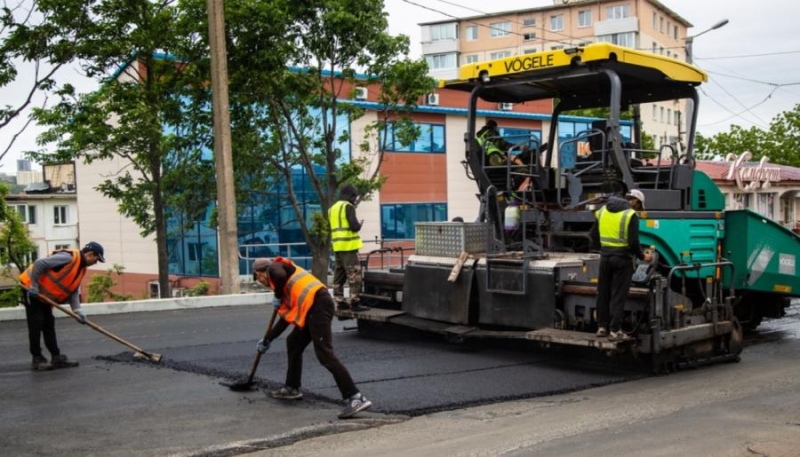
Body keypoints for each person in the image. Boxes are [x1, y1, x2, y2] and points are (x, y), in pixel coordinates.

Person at [251, 257, 373, 419]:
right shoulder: (283, 285)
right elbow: (285, 319)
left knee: (325, 354)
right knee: (293, 342)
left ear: (260, 273)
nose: (261, 282)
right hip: (312, 310)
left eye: (258, 278)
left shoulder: (275, 268)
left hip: (320, 305)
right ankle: (292, 388)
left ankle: (356, 398)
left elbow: (278, 275)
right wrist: (268, 338)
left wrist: (278, 295)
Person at [19, 242, 106, 370]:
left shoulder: (81, 268)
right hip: (30, 288)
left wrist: (78, 311)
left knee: (48, 323)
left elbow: (74, 290)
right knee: (36, 323)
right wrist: (34, 286)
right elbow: (40, 263)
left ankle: (56, 357)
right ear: (90, 254)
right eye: (96, 259)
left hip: (44, 295)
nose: (96, 262)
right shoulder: (68, 257)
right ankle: (37, 359)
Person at [591, 190, 652, 342]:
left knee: (603, 292)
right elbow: (633, 242)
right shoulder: (630, 215)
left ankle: (601, 327)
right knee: (618, 296)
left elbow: (592, 234)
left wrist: (603, 248)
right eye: (638, 206)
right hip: (622, 259)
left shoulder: (603, 210)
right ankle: (615, 330)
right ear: (635, 202)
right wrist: (643, 256)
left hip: (605, 257)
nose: (637, 209)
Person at [328, 184, 367, 312]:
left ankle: (340, 302)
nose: (355, 199)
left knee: (339, 275)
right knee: (354, 274)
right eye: (354, 197)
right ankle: (355, 302)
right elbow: (354, 226)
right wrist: (360, 225)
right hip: (348, 247)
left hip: (337, 246)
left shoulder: (332, 208)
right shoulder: (348, 207)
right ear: (350, 196)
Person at [475, 119, 533, 192]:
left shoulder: (481, 136)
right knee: (522, 170)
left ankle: (511, 187)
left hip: (491, 159)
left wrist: (505, 154)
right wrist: (520, 147)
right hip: (495, 159)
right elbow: (503, 145)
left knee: (515, 169)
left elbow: (494, 147)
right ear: (495, 127)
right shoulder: (491, 132)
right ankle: (512, 190)